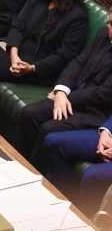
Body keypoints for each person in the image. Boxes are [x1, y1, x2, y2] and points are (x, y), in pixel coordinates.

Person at [16, 9, 112, 167]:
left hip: (95, 111)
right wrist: (61, 90)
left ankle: (33, 175)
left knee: (49, 128)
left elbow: (104, 93)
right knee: (30, 113)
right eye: (109, 23)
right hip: (70, 97)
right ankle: (16, 164)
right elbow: (78, 62)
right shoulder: (103, 35)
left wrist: (67, 97)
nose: (110, 29)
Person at [0, 0, 88, 88]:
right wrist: (14, 55)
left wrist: (31, 68)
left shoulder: (77, 16)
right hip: (16, 51)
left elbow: (63, 56)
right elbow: (18, 26)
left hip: (39, 67)